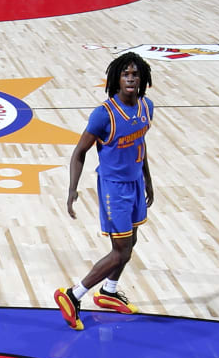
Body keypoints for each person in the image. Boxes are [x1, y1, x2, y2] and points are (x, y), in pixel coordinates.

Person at [56, 52, 154, 330]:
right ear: (116, 79)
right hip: (114, 189)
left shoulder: (147, 107)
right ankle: (73, 295)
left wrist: (148, 178)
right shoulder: (104, 114)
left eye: (135, 74)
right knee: (120, 250)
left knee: (130, 243)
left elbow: (141, 144)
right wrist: (72, 189)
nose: (131, 78)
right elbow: (79, 153)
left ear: (142, 78)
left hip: (135, 183)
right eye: (126, 74)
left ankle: (109, 292)